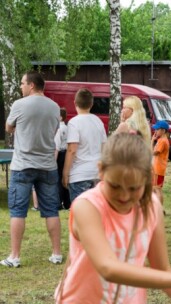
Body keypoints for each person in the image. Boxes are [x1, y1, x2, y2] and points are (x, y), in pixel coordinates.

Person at [54, 133, 171, 303]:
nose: (124, 196)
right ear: (101, 170)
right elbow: (107, 268)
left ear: (147, 178)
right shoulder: (86, 206)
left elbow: (162, 269)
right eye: (115, 186)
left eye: (133, 188)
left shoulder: (151, 207)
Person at [2, 71, 62, 267]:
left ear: (32, 85)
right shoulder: (54, 107)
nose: (21, 87)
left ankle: (15, 256)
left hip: (23, 165)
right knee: (51, 210)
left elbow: (8, 128)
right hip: (47, 165)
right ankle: (56, 253)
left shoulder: (19, 105)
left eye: (22, 83)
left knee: (18, 211)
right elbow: (53, 131)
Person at [62, 88, 107, 204]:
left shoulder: (74, 122)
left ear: (75, 103)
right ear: (91, 104)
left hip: (79, 174)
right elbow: (104, 148)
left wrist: (65, 173)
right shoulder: (98, 121)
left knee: (80, 215)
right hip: (97, 172)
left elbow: (72, 149)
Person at [55, 107, 71, 209]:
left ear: (60, 117)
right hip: (66, 153)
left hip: (60, 154)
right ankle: (67, 202)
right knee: (65, 177)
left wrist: (53, 160)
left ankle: (58, 203)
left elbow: (56, 145)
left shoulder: (58, 129)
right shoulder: (67, 128)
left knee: (58, 179)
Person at [151, 120, 170, 188]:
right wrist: (153, 141)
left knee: (156, 189)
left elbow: (155, 152)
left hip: (158, 170)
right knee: (154, 189)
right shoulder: (160, 140)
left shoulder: (163, 141)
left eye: (157, 129)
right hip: (156, 169)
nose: (155, 131)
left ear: (163, 131)